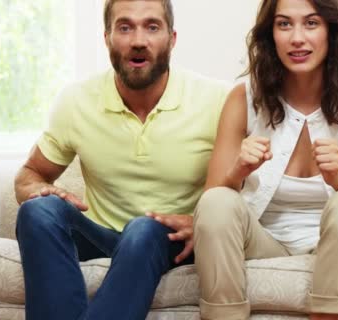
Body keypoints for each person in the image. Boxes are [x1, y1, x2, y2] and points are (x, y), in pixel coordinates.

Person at [13, 0, 228, 319]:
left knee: (143, 228)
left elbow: (249, 189)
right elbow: (29, 175)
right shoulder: (76, 101)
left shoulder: (217, 99)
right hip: (104, 236)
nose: (138, 40)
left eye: (152, 26)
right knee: (38, 210)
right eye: (125, 27)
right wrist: (41, 191)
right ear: (107, 38)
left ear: (172, 38)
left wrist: (204, 223)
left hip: (171, 241)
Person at [192, 0, 338, 319]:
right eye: (284, 24)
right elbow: (210, 204)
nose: (297, 38)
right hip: (266, 240)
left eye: (312, 23)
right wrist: (239, 170)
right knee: (217, 201)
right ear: (270, 34)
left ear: (332, 30)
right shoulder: (243, 98)